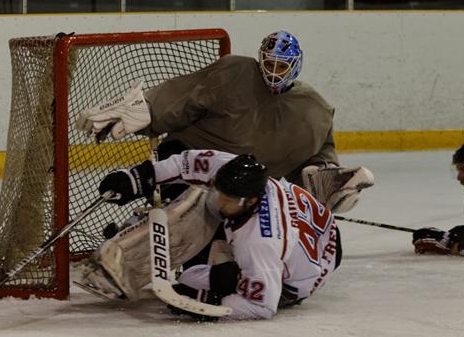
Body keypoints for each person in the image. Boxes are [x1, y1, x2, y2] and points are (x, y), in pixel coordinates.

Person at [75, 30, 374, 214]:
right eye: (268, 63)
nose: (273, 72)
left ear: (295, 67)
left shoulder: (316, 109)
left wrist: (326, 182)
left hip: (243, 185)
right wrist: (151, 109)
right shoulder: (236, 73)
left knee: (208, 224)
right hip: (189, 158)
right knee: (175, 206)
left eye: (281, 66)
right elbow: (187, 97)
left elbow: (318, 160)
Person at [83, 149, 341, 321]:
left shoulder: (260, 243)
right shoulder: (233, 173)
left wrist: (210, 302)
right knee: (201, 198)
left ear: (251, 201)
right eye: (222, 192)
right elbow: (188, 162)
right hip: (316, 231)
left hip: (297, 277)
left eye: (229, 199)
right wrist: (139, 177)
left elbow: (262, 306)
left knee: (193, 278)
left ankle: (137, 262)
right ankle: (134, 249)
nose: (221, 202)